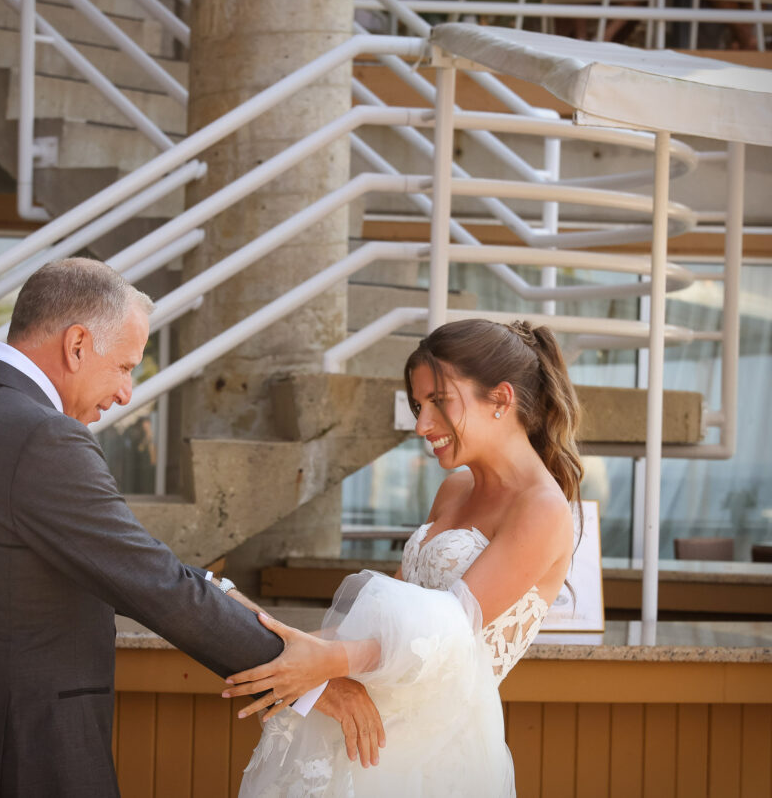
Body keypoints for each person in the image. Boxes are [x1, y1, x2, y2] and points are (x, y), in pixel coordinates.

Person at [0, 258, 383, 796]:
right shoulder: (42, 438)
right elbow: (156, 584)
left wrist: (224, 595)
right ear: (77, 345)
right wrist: (311, 678)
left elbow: (117, 566)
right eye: (124, 367)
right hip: (25, 759)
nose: (126, 393)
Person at [226, 318, 582, 796]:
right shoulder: (455, 488)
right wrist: (287, 642)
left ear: (500, 399)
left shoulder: (542, 509)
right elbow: (386, 617)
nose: (421, 425)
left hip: (431, 754)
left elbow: (448, 631)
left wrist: (328, 660)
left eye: (439, 402)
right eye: (419, 405)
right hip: (365, 726)